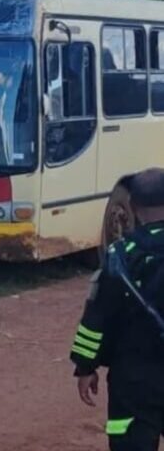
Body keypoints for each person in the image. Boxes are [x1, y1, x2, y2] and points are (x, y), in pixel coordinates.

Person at [71, 168, 164, 450]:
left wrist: (85, 366)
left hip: (132, 379)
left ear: (133, 207)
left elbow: (96, 318)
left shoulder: (118, 256)